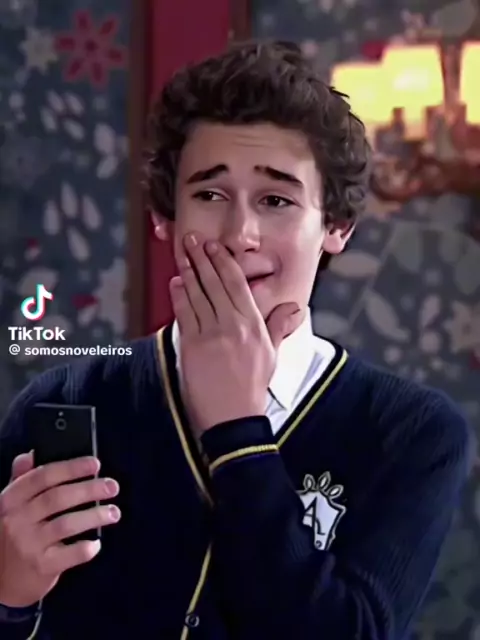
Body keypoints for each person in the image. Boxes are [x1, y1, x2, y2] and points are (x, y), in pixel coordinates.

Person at [0, 41, 472, 640]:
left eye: (276, 200)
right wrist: (9, 596)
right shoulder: (68, 397)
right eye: (209, 195)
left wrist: (238, 434)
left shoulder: (412, 431)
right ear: (165, 217)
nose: (239, 233)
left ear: (336, 226)